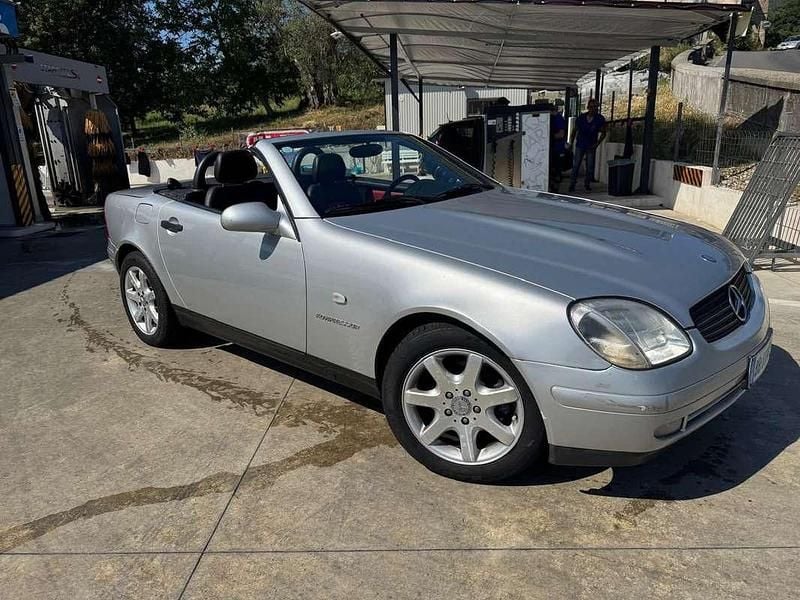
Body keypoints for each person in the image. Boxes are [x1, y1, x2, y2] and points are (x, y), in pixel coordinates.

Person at [568, 98, 607, 192]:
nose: (594, 109)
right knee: (576, 165)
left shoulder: (600, 119)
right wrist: (571, 143)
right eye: (592, 107)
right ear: (588, 107)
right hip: (580, 144)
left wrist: (597, 144)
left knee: (589, 167)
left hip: (591, 145)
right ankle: (572, 184)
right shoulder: (581, 118)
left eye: (596, 107)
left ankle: (587, 183)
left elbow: (604, 132)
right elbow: (574, 131)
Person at [549, 102, 567, 192]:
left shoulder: (558, 119)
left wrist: (549, 137)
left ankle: (555, 188)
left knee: (556, 170)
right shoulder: (554, 118)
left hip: (557, 148)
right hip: (553, 148)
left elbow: (561, 134)